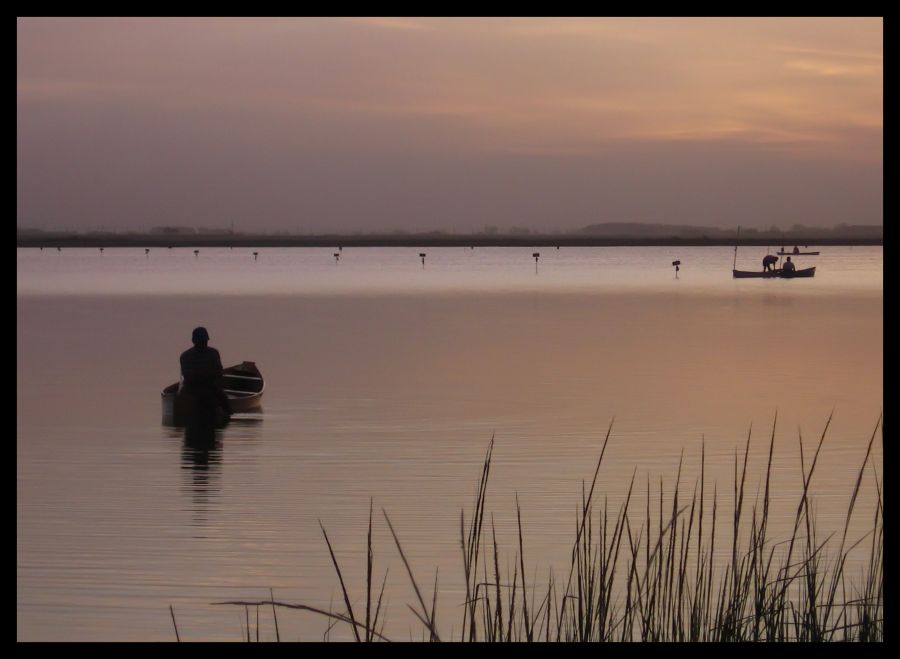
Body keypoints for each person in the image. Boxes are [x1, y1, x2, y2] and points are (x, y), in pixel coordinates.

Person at [180, 327, 232, 421]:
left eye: (203, 341)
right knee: (179, 399)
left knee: (224, 399)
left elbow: (218, 372)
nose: (202, 344)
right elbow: (187, 375)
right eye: (200, 341)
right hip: (192, 388)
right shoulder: (186, 356)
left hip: (210, 386)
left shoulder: (213, 353)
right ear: (194, 341)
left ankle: (227, 415)